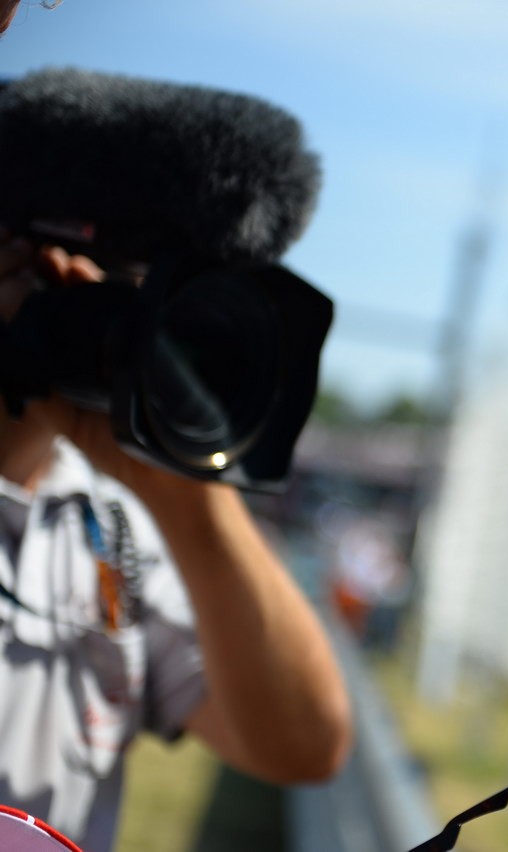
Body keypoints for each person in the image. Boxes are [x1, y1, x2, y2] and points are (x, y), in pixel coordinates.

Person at [0, 236, 352, 850]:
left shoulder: (113, 522)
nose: (85, 291)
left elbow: (303, 745)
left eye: (120, 275)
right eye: (37, 250)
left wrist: (187, 492)